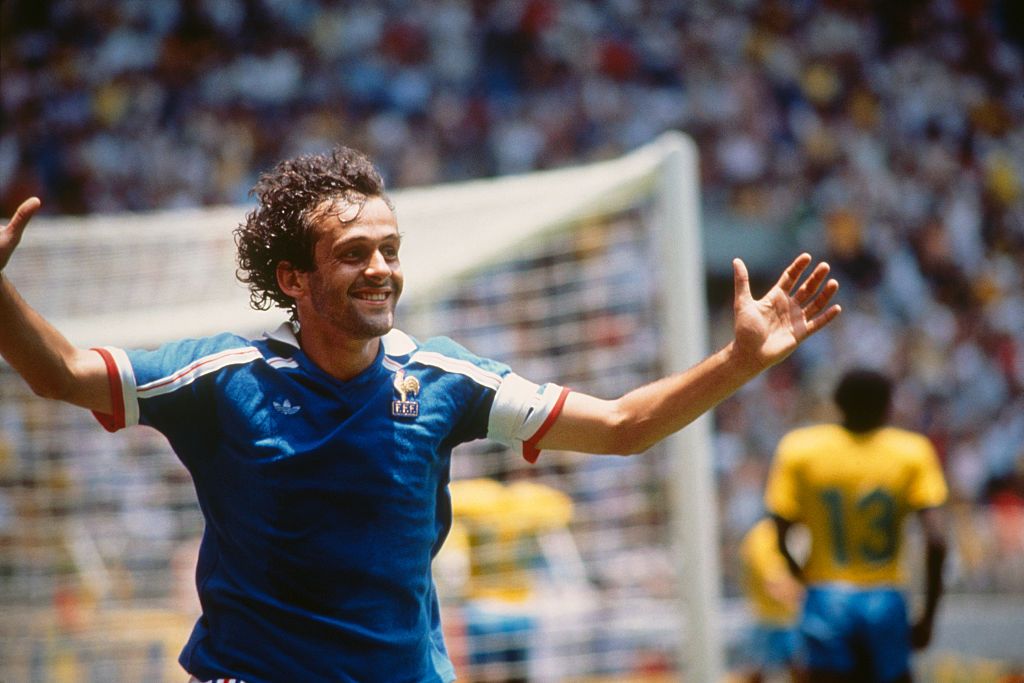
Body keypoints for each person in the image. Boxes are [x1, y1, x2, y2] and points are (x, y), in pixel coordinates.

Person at [0, 145, 841, 683]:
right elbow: (62, 372)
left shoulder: (443, 379)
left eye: (391, 250)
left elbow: (621, 426)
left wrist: (736, 361)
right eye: (354, 253)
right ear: (293, 278)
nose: (382, 269)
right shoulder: (222, 375)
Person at [764, 369, 949, 683]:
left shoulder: (801, 449)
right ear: (889, 405)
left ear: (837, 402)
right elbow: (937, 540)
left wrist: (800, 574)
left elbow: (780, 529)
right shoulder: (911, 452)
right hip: (885, 599)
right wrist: (928, 616)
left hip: (827, 599)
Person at [738, 516, 805, 683]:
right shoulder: (765, 536)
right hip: (773, 621)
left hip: (779, 619)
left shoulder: (786, 533)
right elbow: (775, 585)